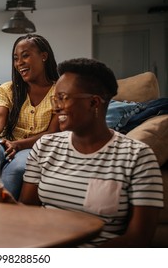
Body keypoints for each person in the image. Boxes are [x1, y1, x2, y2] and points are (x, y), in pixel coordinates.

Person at [20, 58, 164, 247]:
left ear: (94, 103)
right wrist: (3, 204)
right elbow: (26, 209)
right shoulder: (45, 146)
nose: (55, 108)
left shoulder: (138, 157)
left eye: (63, 98)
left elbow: (138, 238)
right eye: (55, 99)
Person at [0, 34, 60, 201]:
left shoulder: (59, 91)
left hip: (36, 148)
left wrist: (18, 145)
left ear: (44, 56)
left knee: (18, 168)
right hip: (6, 142)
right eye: (16, 58)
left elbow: (52, 134)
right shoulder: (7, 89)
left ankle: (2, 219)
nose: (19, 63)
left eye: (25, 55)